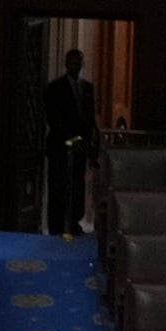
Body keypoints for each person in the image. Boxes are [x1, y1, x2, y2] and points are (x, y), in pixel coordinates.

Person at [39, 46, 98, 234]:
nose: (76, 65)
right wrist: (72, 138)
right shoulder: (54, 88)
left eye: (79, 61)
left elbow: (89, 119)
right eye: (72, 61)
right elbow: (54, 118)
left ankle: (74, 222)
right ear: (66, 63)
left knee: (77, 187)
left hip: (80, 149)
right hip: (60, 146)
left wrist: (90, 144)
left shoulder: (87, 88)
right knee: (58, 186)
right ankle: (56, 225)